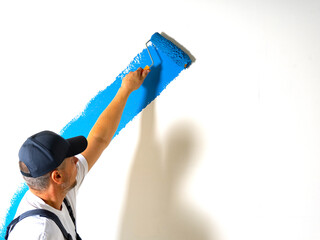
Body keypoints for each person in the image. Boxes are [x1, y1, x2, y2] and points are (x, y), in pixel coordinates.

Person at [6, 67, 150, 240]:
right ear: (57, 176)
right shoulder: (39, 233)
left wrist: (126, 89)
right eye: (70, 159)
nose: (77, 160)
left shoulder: (60, 192)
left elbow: (99, 140)